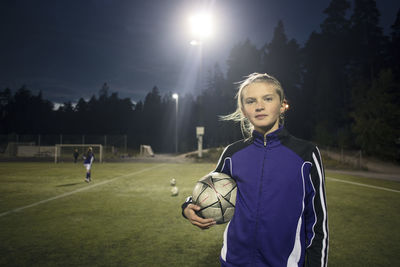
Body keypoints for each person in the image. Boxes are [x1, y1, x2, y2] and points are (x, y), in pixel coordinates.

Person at [181, 73, 329, 267]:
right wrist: (187, 208)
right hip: (233, 262)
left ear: (282, 104)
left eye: (268, 99)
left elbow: (318, 223)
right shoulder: (232, 153)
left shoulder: (306, 155)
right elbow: (210, 187)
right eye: (251, 101)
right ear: (243, 110)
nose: (259, 106)